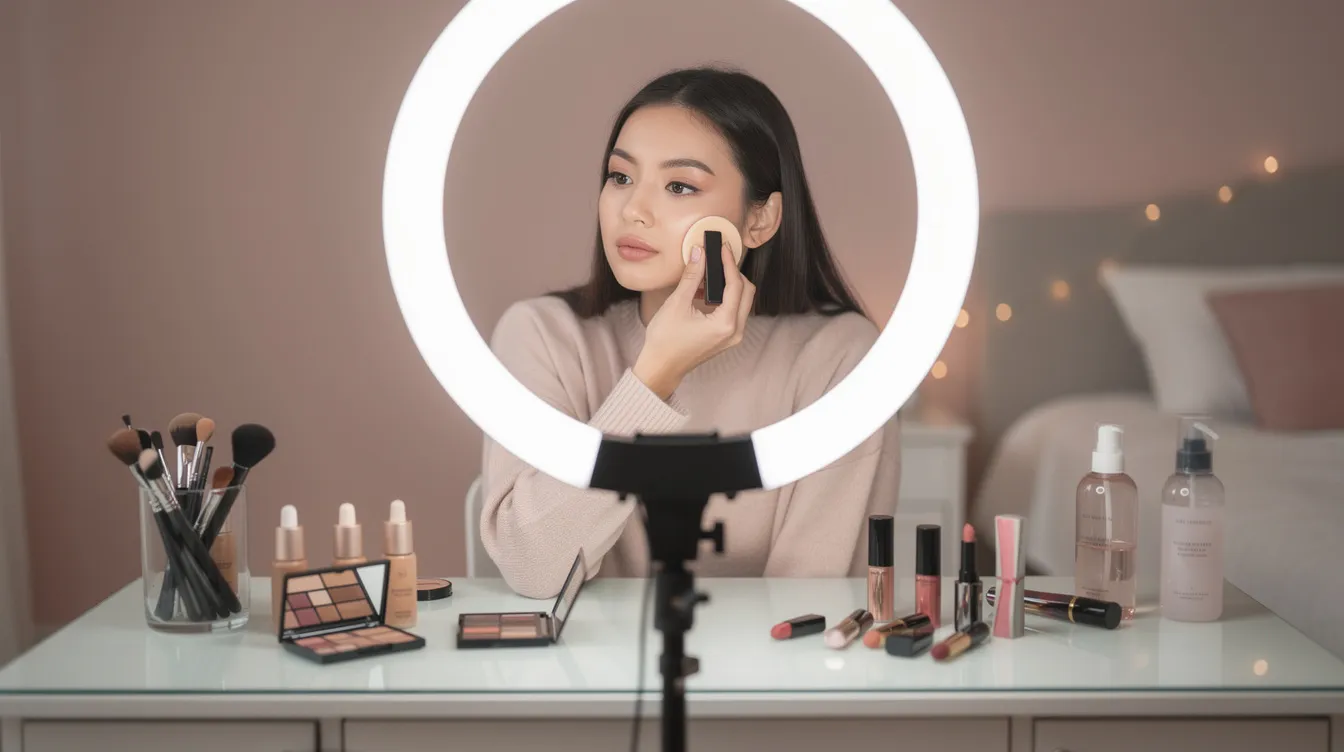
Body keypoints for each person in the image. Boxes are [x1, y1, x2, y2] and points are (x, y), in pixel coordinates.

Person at [480, 66, 902, 598]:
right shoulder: (543, 336)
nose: (633, 210)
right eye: (620, 177)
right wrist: (656, 375)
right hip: (589, 676)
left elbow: (809, 606)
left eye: (680, 186)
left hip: (772, 674)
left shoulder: (840, 360)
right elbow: (532, 566)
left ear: (760, 220)